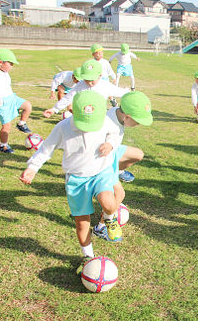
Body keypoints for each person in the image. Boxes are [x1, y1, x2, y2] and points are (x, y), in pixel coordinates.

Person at [20, 90, 124, 274]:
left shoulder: (106, 120)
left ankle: (109, 218)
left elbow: (114, 133)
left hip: (101, 170)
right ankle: (88, 256)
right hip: (76, 178)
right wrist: (32, 168)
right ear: (73, 112)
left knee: (109, 203)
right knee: (82, 223)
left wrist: (110, 144)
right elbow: (45, 150)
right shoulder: (63, 127)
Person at [92, 90, 153, 239]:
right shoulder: (107, 124)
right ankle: (100, 227)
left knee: (138, 154)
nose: (138, 124)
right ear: (127, 117)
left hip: (114, 149)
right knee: (119, 193)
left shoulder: (116, 111)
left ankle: (118, 172)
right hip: (104, 159)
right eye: (137, 121)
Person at [42, 59, 128, 118]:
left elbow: (120, 92)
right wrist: (54, 109)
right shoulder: (81, 85)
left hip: (98, 116)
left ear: (100, 76)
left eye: (92, 80)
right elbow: (68, 98)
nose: (89, 83)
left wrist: (130, 93)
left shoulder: (105, 85)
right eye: (86, 79)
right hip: (83, 115)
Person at [0, 48, 32, 154]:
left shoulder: (4, 72)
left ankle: (21, 123)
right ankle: (3, 145)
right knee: (6, 126)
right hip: (2, 102)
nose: (12, 66)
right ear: (0, 62)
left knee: (27, 106)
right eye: (10, 63)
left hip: (12, 98)